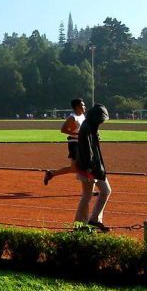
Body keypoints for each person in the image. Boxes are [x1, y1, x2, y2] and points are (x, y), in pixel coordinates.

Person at [74, 104, 112, 232]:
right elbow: (86, 151)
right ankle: (79, 225)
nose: (102, 123)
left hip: (95, 168)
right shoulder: (86, 128)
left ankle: (95, 219)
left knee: (106, 191)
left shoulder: (91, 127)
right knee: (87, 196)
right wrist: (89, 170)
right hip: (88, 168)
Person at [44, 98, 86, 185]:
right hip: (74, 143)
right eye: (82, 105)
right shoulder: (72, 117)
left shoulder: (82, 115)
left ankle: (51, 173)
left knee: (82, 166)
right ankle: (51, 173)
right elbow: (63, 130)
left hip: (81, 143)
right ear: (77, 107)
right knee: (75, 168)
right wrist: (77, 134)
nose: (84, 106)